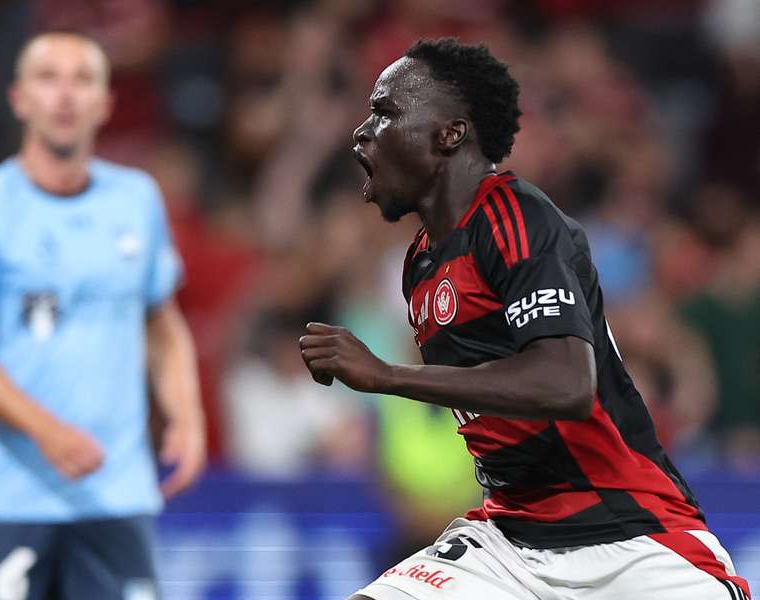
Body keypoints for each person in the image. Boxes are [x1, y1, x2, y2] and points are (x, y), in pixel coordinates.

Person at [298, 38, 751, 600]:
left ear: (449, 133)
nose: (362, 132)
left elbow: (566, 384)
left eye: (385, 112)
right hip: (512, 539)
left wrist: (385, 376)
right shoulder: (421, 265)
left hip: (632, 541)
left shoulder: (515, 216)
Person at [0, 32, 205, 600]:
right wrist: (45, 430)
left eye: (82, 80)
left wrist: (186, 412)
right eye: (49, 78)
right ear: (19, 98)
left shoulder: (137, 200)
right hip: (9, 496)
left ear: (105, 102)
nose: (65, 95)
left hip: (115, 494)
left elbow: (160, 319)